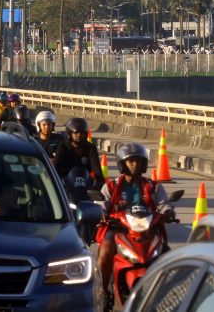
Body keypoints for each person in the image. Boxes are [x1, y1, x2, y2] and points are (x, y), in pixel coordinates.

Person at [96, 143, 176, 312]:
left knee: (168, 255)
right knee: (106, 250)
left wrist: (168, 212)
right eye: (131, 161)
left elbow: (163, 203)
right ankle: (103, 290)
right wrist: (101, 212)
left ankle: (170, 295)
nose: (135, 165)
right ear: (122, 164)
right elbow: (102, 202)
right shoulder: (111, 185)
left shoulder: (153, 186)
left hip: (147, 230)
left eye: (139, 161)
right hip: (119, 229)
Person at [53, 118, 104, 188]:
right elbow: (55, 168)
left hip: (85, 184)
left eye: (81, 132)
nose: (79, 135)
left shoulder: (90, 148)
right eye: (76, 132)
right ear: (69, 133)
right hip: (66, 185)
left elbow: (97, 171)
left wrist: (100, 184)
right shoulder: (63, 147)